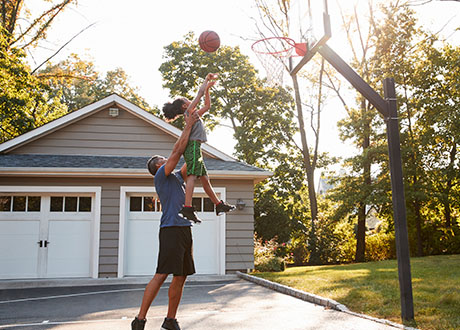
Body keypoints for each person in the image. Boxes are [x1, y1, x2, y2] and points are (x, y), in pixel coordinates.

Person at [161, 73, 235, 223]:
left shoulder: (194, 114)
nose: (191, 101)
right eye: (189, 100)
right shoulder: (189, 112)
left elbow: (207, 106)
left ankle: (218, 205)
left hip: (196, 147)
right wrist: (206, 80)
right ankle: (187, 207)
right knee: (192, 176)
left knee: (205, 179)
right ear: (184, 105)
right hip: (192, 146)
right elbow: (199, 94)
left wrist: (208, 90)